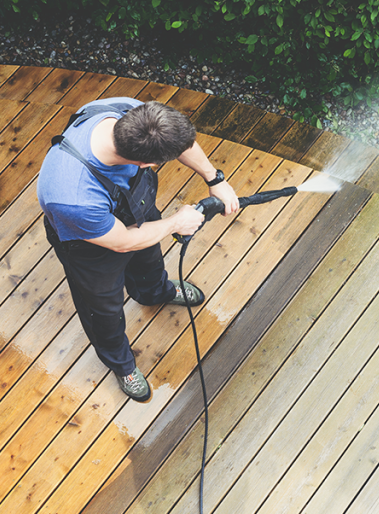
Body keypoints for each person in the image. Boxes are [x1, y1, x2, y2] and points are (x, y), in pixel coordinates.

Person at [37, 97, 239, 402]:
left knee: (149, 261)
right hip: (90, 245)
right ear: (146, 164)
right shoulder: (71, 194)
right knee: (103, 309)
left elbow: (181, 142)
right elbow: (123, 241)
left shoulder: (132, 115)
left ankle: (155, 293)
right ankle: (122, 364)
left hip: (135, 211)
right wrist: (175, 223)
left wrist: (215, 178)